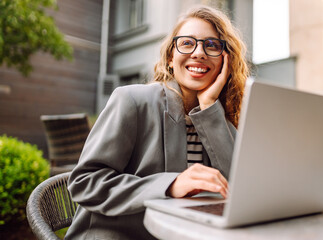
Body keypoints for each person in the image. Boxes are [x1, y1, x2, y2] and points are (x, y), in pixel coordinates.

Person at [65, 5, 249, 240]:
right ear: (171, 58)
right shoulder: (132, 99)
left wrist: (210, 106)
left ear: (224, 62)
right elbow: (84, 182)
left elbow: (239, 190)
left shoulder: (220, 118)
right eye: (187, 43)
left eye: (211, 45)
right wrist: (171, 185)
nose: (199, 52)